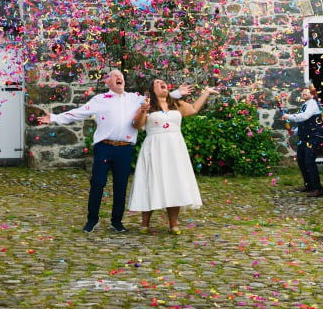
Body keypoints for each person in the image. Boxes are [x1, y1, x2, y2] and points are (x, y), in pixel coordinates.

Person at [37, 70, 191, 233]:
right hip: (104, 147)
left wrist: (178, 93)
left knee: (121, 185)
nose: (119, 78)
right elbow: (79, 112)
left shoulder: (135, 99)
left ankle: (116, 222)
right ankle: (92, 220)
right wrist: (54, 118)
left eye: (121, 76)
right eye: (115, 76)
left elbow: (158, 97)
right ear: (108, 82)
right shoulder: (100, 100)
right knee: (97, 183)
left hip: (124, 148)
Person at [128, 79, 218, 234]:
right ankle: (145, 223)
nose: (161, 83)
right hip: (154, 146)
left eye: (163, 82)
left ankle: (174, 224)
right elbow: (137, 125)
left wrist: (207, 93)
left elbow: (194, 109)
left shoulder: (176, 104)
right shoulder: (146, 105)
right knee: (151, 181)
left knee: (174, 182)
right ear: (151, 90)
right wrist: (143, 110)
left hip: (175, 148)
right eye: (157, 83)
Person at [283, 86, 323, 198]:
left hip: (313, 137)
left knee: (309, 161)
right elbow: (304, 123)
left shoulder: (313, 103)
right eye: (302, 92)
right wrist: (294, 131)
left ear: (312, 94)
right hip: (305, 138)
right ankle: (309, 185)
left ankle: (318, 188)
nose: (303, 93)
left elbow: (305, 117)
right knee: (301, 161)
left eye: (306, 91)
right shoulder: (305, 105)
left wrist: (289, 116)